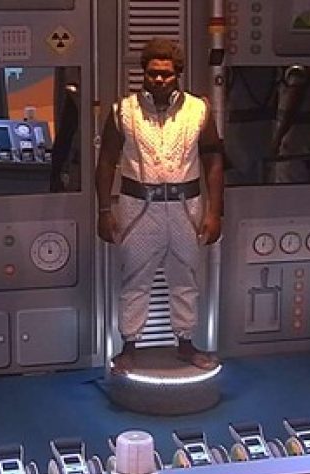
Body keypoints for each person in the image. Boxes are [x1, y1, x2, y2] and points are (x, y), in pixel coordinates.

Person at [96, 38, 224, 374]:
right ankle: (128, 346)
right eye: (152, 73)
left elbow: (213, 158)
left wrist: (215, 211)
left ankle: (186, 343)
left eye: (166, 73)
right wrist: (104, 210)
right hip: (139, 207)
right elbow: (106, 160)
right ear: (144, 72)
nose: (159, 79)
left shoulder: (198, 110)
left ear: (177, 74)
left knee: (186, 276)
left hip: (186, 206)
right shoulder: (123, 111)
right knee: (134, 278)